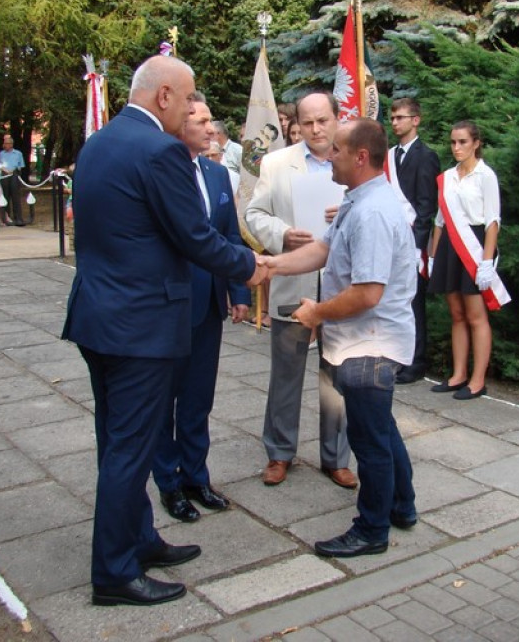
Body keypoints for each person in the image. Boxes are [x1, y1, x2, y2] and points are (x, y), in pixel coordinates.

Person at [62, 55, 266, 607]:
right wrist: (253, 266)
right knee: (130, 450)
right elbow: (195, 237)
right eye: (189, 97)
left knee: (118, 442)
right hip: (141, 327)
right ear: (164, 97)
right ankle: (114, 573)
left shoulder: (99, 143)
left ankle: (139, 538)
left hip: (98, 317)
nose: (192, 110)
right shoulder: (161, 151)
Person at [267, 118, 417, 557]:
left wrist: (316, 311)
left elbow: (368, 293)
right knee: (382, 429)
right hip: (360, 341)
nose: (328, 155)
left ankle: (372, 529)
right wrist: (271, 264)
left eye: (336, 149)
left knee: (369, 444)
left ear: (361, 157)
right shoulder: (359, 199)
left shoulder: (371, 211)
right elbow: (323, 249)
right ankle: (402, 506)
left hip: (370, 344)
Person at [245, 91, 353, 488]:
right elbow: (253, 214)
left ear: (337, 119)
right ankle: (279, 453)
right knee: (286, 374)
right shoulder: (276, 164)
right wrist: (282, 234)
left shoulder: (355, 160)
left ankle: (336, 456)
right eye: (307, 123)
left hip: (342, 288)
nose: (316, 129)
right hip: (294, 281)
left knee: (336, 376)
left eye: (323, 120)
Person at [152, 93, 251, 522]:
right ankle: (168, 484)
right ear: (178, 124)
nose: (212, 129)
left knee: (198, 399)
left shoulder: (215, 174)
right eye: (202, 121)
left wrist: (240, 292)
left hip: (208, 304)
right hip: (167, 305)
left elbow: (229, 237)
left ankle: (196, 477)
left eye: (212, 121)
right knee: (162, 402)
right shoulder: (159, 171)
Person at [427, 121, 502, 400]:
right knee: (456, 314)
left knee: (475, 315)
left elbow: (493, 220)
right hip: (448, 245)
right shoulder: (447, 177)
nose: (457, 147)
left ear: (476, 143)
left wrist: (486, 260)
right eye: (453, 142)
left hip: (473, 245)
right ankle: (458, 374)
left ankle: (478, 380)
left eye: (463, 142)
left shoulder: (486, 175)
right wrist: (433, 255)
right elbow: (439, 220)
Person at [386, 97, 441, 384]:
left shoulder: (426, 155)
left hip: (412, 243)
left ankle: (416, 361)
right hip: (390, 239)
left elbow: (425, 206)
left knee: (412, 303)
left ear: (416, 120)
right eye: (393, 118)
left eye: (401, 117)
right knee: (394, 302)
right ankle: (397, 356)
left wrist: (416, 245)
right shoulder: (389, 156)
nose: (395, 122)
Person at [0, 134, 27, 226]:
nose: (4, 145)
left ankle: (18, 218)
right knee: (5, 196)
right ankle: (6, 217)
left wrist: (13, 170)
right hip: (4, 175)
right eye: (4, 143)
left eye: (6, 143)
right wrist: (4, 170)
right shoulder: (1, 153)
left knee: (15, 196)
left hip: (14, 174)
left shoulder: (18, 153)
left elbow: (21, 165)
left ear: (11, 144)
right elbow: (0, 165)